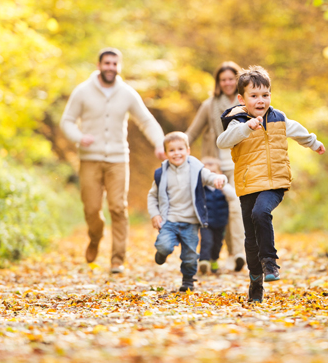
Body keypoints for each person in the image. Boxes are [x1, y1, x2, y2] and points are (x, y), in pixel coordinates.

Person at [217, 66, 326, 303]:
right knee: (250, 238)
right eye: (254, 96)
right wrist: (246, 127)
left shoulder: (279, 118)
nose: (260, 100)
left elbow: (298, 131)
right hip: (248, 185)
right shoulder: (237, 122)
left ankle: (270, 263)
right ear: (241, 99)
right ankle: (256, 279)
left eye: (265, 95)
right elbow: (222, 141)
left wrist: (314, 143)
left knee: (261, 212)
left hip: (275, 182)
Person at [61, 48, 166, 274]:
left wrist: (159, 144)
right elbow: (67, 121)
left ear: (119, 67)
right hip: (90, 159)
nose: (110, 67)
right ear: (99, 65)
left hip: (118, 159)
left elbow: (146, 121)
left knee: (118, 207)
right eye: (106, 63)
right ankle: (95, 237)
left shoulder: (127, 93)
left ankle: (117, 259)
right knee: (91, 209)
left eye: (114, 64)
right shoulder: (82, 91)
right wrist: (80, 137)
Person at [148, 132, 228, 292]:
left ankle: (188, 280)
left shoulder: (197, 170)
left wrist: (220, 180)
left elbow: (211, 177)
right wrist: (155, 214)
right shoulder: (161, 173)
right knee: (164, 246)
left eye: (180, 149)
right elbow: (152, 196)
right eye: (171, 150)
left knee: (190, 256)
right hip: (169, 220)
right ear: (165, 154)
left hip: (190, 222)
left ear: (188, 150)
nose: (176, 153)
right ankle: (161, 254)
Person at [186, 61, 246, 272]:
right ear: (218, 83)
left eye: (231, 78)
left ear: (238, 80)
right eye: (223, 80)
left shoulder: (247, 103)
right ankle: (215, 255)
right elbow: (192, 132)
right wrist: (176, 149)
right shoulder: (209, 105)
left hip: (239, 163)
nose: (228, 83)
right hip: (215, 166)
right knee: (216, 211)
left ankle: (238, 253)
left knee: (236, 208)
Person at [198, 157, 238, 275]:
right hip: (205, 222)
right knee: (207, 241)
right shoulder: (201, 188)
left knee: (217, 243)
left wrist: (222, 184)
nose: (211, 177)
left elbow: (233, 197)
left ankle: (214, 260)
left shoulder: (224, 189)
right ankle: (204, 261)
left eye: (213, 173)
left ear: (220, 174)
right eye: (207, 173)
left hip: (221, 222)